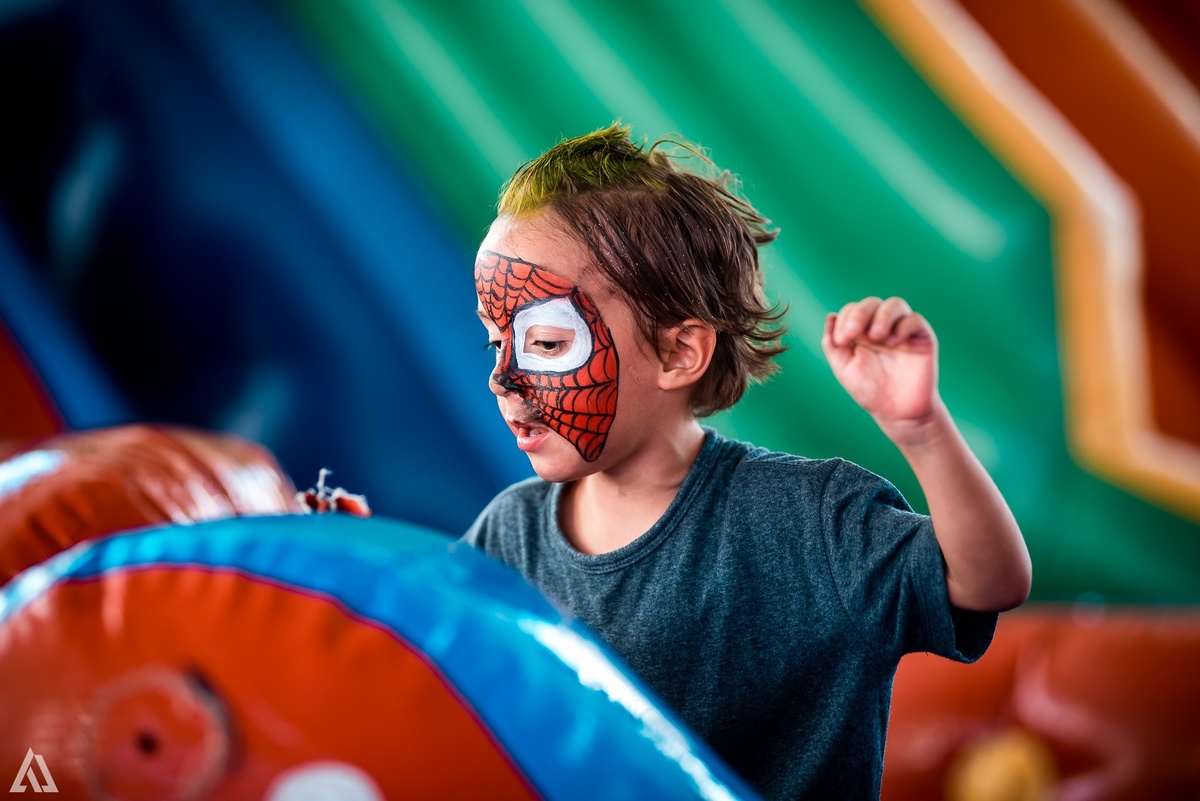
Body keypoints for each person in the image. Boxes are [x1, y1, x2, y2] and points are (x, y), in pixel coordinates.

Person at [464, 123, 1032, 800]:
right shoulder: (507, 532)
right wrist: (332, 553)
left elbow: (989, 582)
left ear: (679, 353)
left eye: (547, 343)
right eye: (492, 340)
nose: (502, 378)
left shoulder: (809, 521)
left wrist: (922, 429)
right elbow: (442, 682)